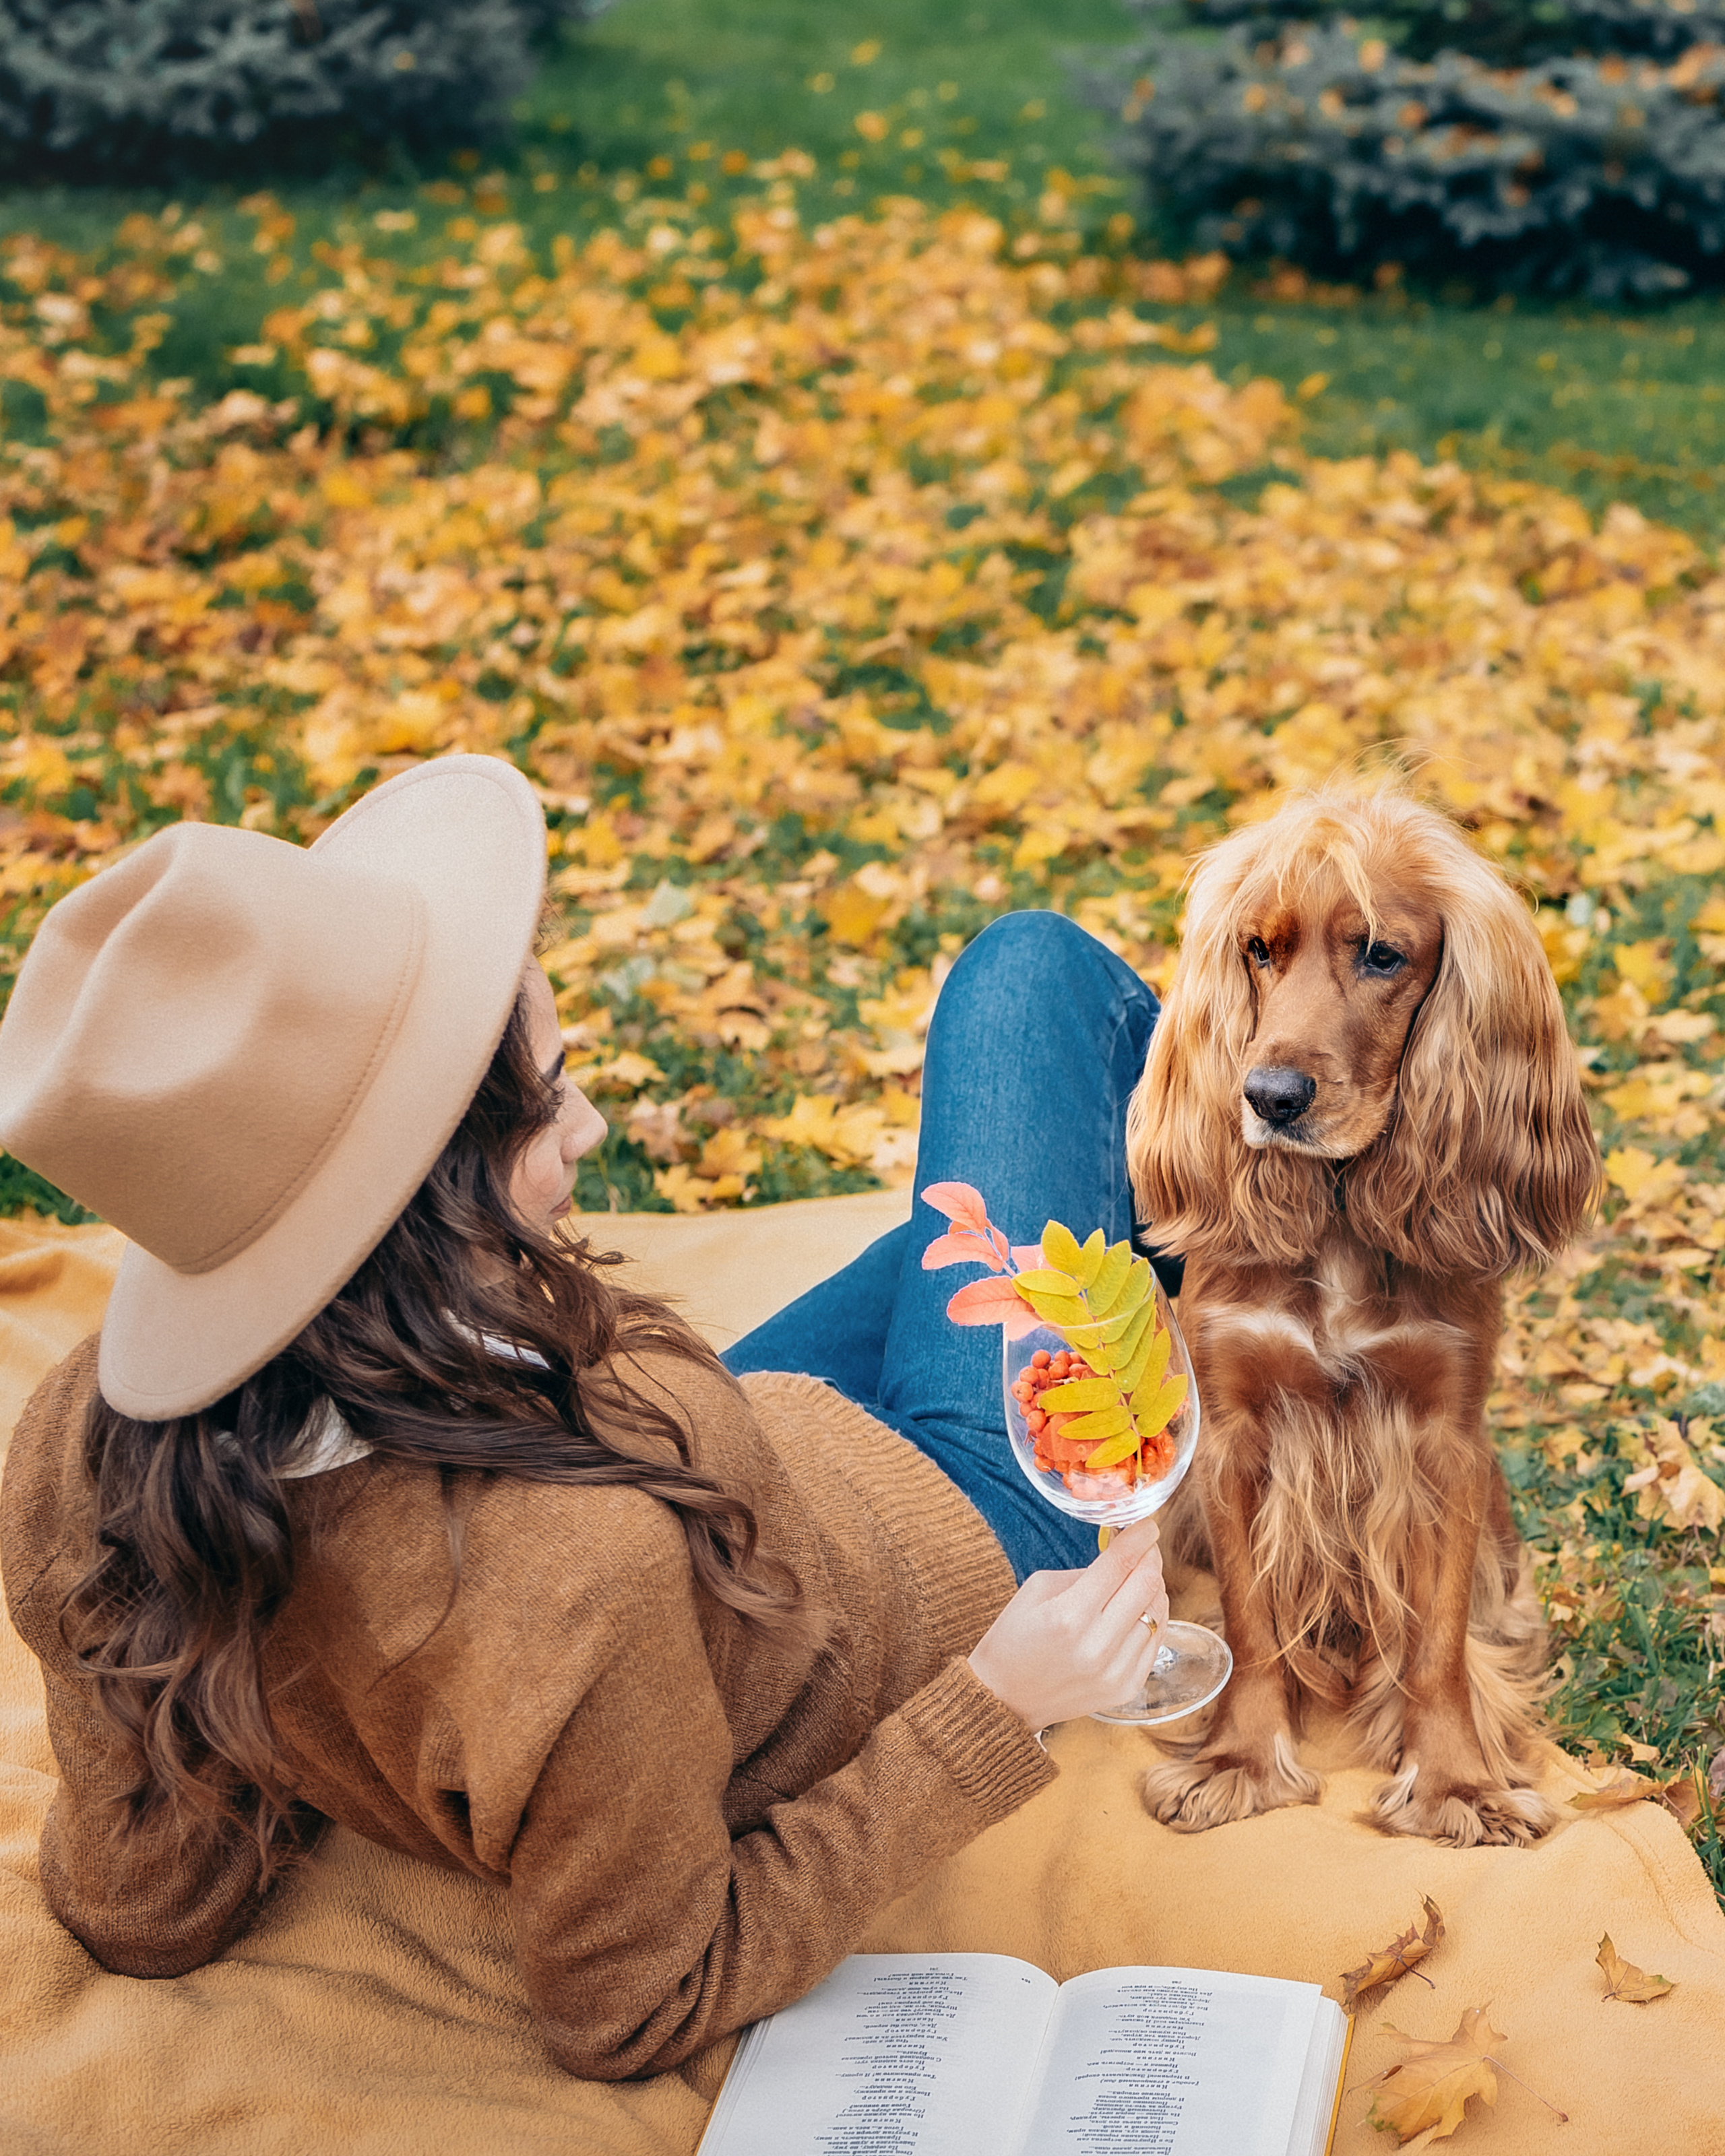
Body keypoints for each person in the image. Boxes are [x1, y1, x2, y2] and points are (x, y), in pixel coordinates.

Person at [0, 754, 1170, 2082]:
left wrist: (250, 1702)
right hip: (965, 1533)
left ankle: (1166, 1243)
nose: (594, 1120)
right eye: (554, 1093)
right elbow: (636, 2004)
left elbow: (142, 1906)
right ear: (433, 1201)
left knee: (980, 1232)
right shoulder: (571, 1581)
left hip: (722, 1477)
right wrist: (993, 1702)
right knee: (1032, 983)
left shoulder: (81, 1448)